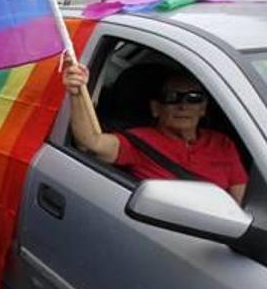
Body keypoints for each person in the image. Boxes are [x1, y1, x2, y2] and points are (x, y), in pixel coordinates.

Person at [62, 60, 247, 204]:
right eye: (172, 98)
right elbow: (91, 142)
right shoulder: (140, 141)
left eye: (193, 98)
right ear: (156, 108)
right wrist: (77, 91)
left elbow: (239, 204)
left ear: (203, 108)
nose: (183, 106)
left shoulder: (223, 143)